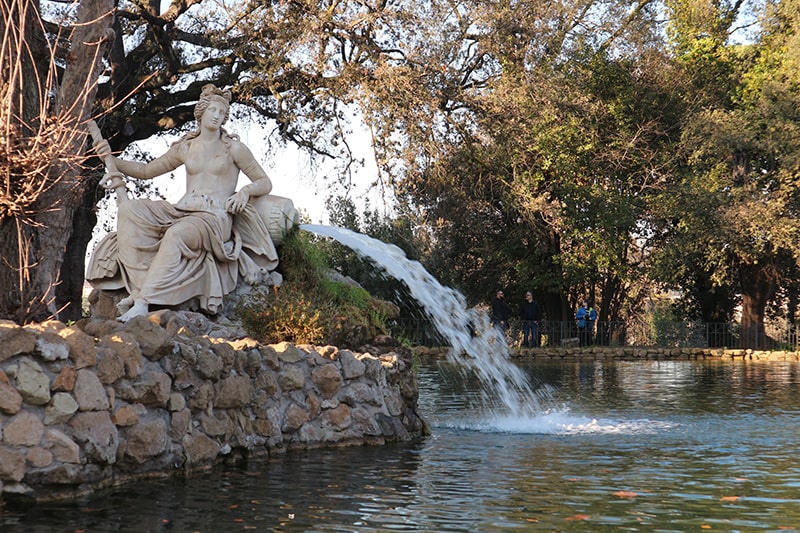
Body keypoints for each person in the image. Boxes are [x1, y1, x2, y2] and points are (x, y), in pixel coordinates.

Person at [87, 84, 279, 322]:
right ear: (201, 112)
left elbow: (264, 182)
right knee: (129, 210)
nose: (217, 115)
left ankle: (143, 301)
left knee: (176, 235)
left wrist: (245, 192)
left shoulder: (234, 148)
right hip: (182, 210)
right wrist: (112, 160)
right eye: (213, 110)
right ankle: (138, 287)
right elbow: (147, 170)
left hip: (213, 218)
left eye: (222, 112)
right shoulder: (186, 147)